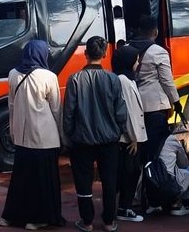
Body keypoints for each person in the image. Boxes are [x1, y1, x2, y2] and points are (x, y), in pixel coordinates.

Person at [0, 40, 66, 230]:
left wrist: (13, 131)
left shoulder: (13, 74)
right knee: (43, 181)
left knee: (21, 180)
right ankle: (37, 219)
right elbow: (56, 109)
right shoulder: (48, 76)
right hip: (44, 137)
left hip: (21, 136)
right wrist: (62, 135)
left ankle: (10, 217)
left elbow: (11, 105)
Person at [63, 36, 126, 232]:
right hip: (109, 140)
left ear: (86, 54)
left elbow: (69, 113)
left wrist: (70, 135)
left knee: (83, 182)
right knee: (109, 181)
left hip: (81, 140)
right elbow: (121, 112)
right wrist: (118, 132)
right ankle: (109, 221)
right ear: (105, 53)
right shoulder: (113, 79)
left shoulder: (74, 79)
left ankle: (87, 221)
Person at [129, 16, 183, 162]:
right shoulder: (158, 52)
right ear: (155, 32)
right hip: (155, 107)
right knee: (156, 147)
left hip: (134, 105)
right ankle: (156, 178)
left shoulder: (127, 49)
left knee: (140, 147)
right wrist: (176, 102)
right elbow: (167, 81)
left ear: (138, 30)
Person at [111, 45, 147, 223]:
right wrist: (134, 137)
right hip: (129, 139)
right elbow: (129, 111)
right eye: (136, 59)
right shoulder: (124, 81)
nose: (138, 62)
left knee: (126, 173)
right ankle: (124, 208)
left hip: (129, 137)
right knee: (129, 173)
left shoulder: (126, 79)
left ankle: (121, 207)